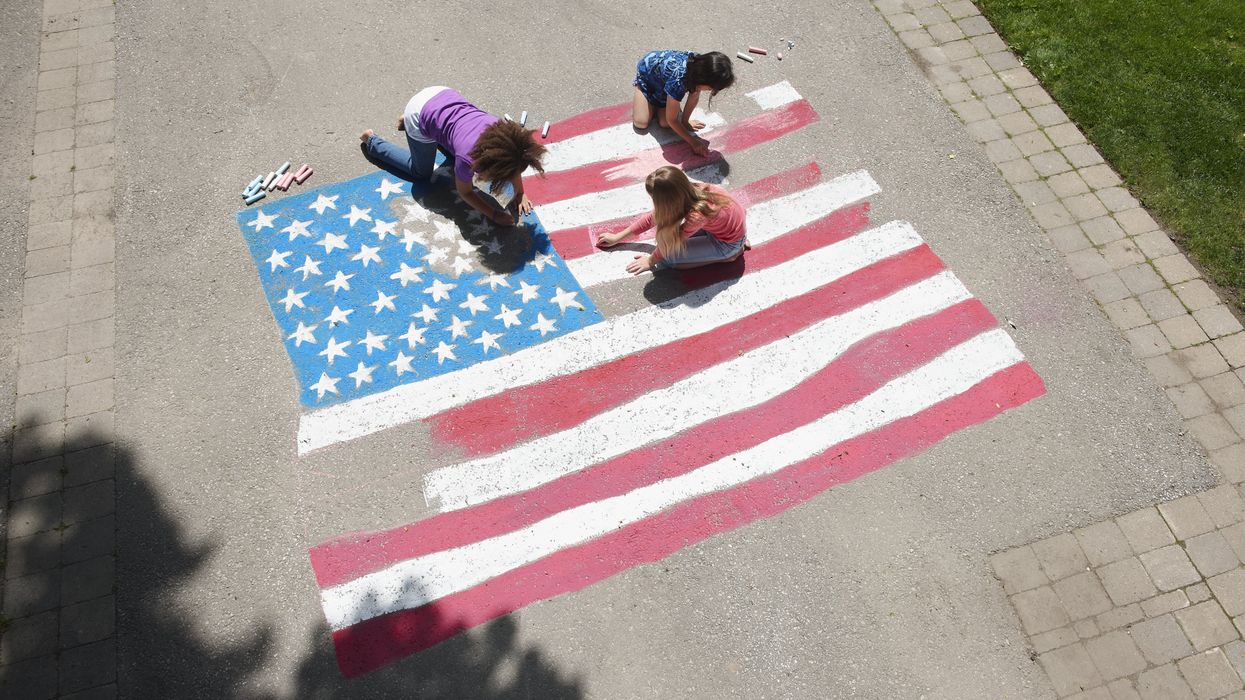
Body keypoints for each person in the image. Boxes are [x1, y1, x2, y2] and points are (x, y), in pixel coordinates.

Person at [359, 87, 546, 226]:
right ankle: (373, 141)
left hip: (441, 95)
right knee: (420, 172)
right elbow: (466, 192)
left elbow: (513, 160)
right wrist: (495, 215)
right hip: (420, 114)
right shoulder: (467, 158)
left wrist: (519, 192)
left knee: (449, 139)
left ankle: (408, 118)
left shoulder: (502, 134)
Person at [597, 166, 747, 275]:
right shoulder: (694, 189)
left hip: (726, 244)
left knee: (670, 260)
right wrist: (617, 237)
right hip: (726, 230)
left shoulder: (696, 215)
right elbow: (653, 218)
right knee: (664, 248)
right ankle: (734, 246)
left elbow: (671, 243)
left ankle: (728, 257)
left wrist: (650, 261)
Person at [632, 50, 736, 157]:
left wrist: (685, 122)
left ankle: (664, 99)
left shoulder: (700, 67)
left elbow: (694, 95)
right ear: (702, 79)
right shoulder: (677, 81)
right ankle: (641, 89)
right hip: (648, 77)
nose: (710, 91)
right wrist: (693, 142)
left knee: (665, 123)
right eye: (710, 88)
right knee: (641, 123)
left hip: (664, 82)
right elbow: (672, 119)